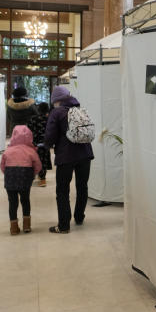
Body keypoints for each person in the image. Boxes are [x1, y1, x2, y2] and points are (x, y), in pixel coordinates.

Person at [44, 85, 94, 234]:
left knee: (62, 190)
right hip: (85, 153)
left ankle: (64, 225)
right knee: (82, 187)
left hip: (66, 156)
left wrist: (46, 146)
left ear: (56, 100)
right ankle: (79, 217)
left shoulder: (56, 112)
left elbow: (50, 135)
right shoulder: (79, 109)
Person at [0, 124, 41, 235]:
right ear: (29, 136)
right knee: (25, 200)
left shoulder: (8, 151)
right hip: (25, 176)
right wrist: (32, 175)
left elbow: (2, 166)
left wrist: (8, 174)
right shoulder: (31, 151)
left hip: (10, 176)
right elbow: (38, 165)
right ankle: (26, 225)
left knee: (12, 202)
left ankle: (13, 228)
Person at [27, 101, 52, 187]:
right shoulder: (49, 119)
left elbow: (28, 131)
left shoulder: (32, 119)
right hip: (45, 144)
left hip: (34, 144)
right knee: (43, 161)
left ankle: (31, 177)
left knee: (33, 160)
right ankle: (42, 179)